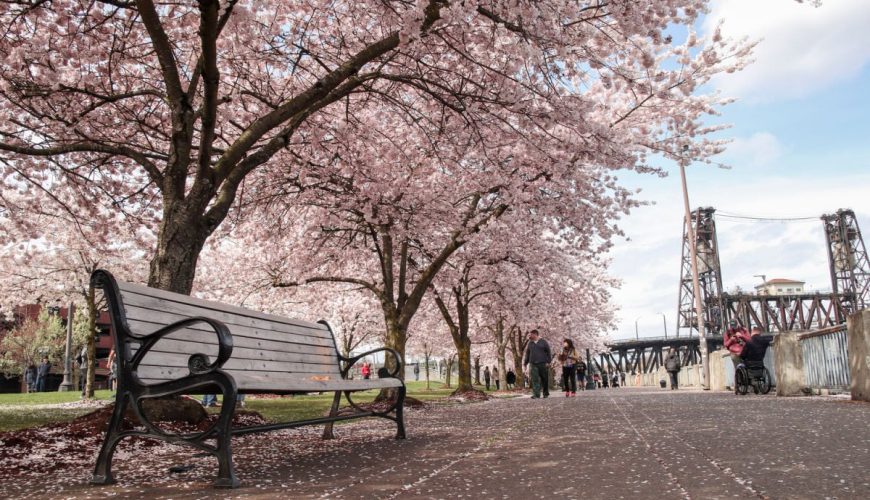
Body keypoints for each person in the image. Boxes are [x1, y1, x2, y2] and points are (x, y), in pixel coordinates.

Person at [522, 329, 552, 398]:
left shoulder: (543, 342)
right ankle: (536, 394)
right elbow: (527, 354)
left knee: (544, 379)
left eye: (531, 335)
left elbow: (548, 352)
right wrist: (525, 363)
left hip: (543, 363)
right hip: (533, 364)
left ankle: (545, 393)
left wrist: (548, 362)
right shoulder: (530, 343)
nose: (530, 336)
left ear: (535, 334)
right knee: (534, 379)